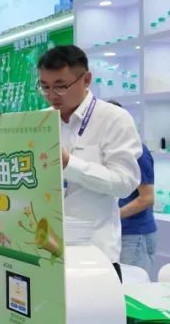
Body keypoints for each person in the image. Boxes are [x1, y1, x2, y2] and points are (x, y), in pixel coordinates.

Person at [37, 45, 141, 275]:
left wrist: (69, 163)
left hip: (95, 256)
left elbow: (125, 183)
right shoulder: (41, 121)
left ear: (86, 80)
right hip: (46, 252)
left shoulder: (114, 119)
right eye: (45, 87)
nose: (52, 95)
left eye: (60, 86)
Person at [109, 101, 158, 274]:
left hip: (134, 235)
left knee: (133, 284)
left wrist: (112, 215)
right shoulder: (111, 150)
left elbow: (147, 198)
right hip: (117, 232)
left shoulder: (137, 151)